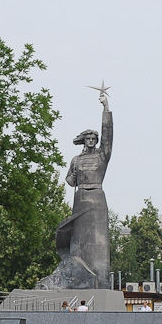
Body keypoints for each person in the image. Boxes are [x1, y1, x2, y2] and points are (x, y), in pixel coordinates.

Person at [36, 88, 113, 289]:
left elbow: (108, 137)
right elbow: (70, 180)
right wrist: (72, 176)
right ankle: (75, 274)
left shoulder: (102, 156)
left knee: (98, 246)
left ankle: (99, 280)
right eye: (88, 139)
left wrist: (106, 109)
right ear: (83, 141)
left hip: (97, 200)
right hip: (80, 200)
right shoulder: (76, 160)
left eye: (94, 139)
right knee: (76, 240)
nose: (91, 141)